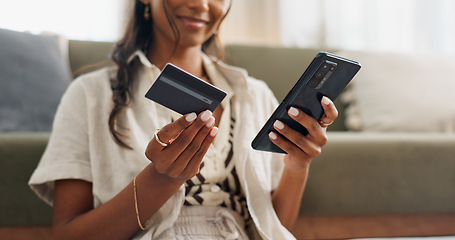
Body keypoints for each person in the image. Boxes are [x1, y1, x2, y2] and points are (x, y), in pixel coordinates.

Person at [29, 0, 338, 239]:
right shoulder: (89, 94)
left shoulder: (254, 94)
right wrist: (161, 178)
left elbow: (273, 227)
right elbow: (68, 235)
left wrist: (297, 166)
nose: (202, 5)